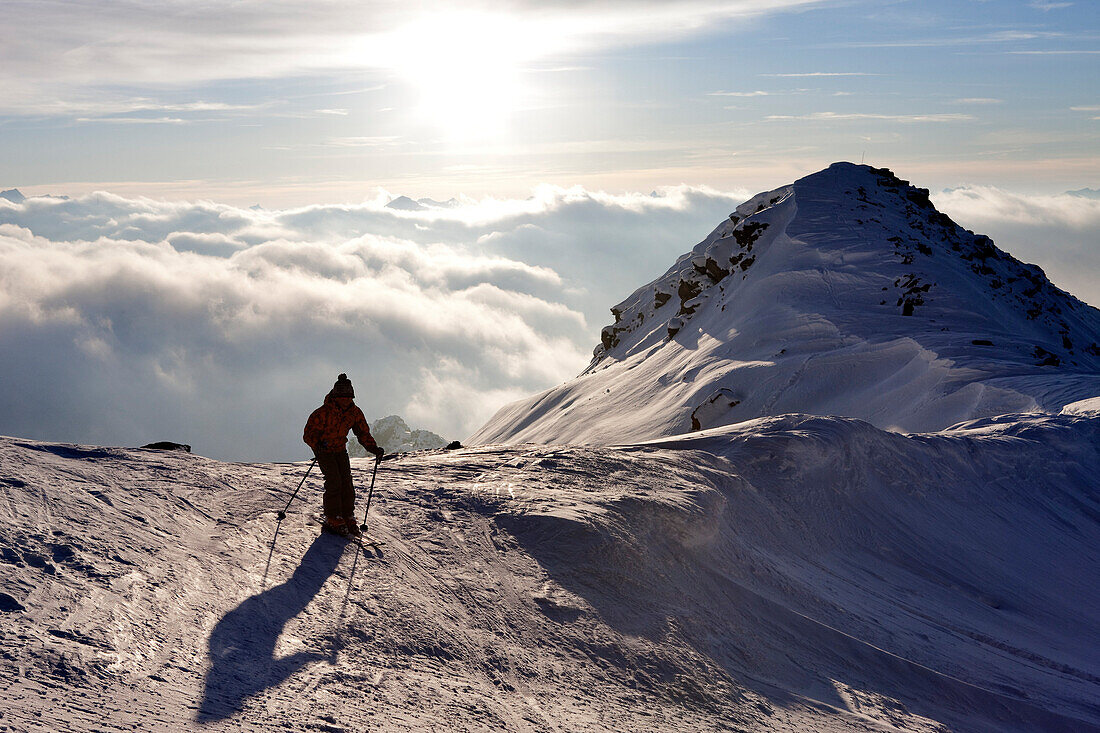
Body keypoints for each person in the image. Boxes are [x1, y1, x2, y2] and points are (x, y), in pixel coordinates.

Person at [302, 373, 384, 537]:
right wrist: (317, 445)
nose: (346, 400)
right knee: (334, 480)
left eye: (349, 397)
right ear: (336, 396)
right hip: (324, 450)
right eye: (343, 397)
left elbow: (362, 433)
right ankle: (333, 516)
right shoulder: (323, 412)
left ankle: (348, 515)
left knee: (346, 481)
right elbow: (308, 434)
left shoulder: (354, 412)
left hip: (340, 449)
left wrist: (374, 448)